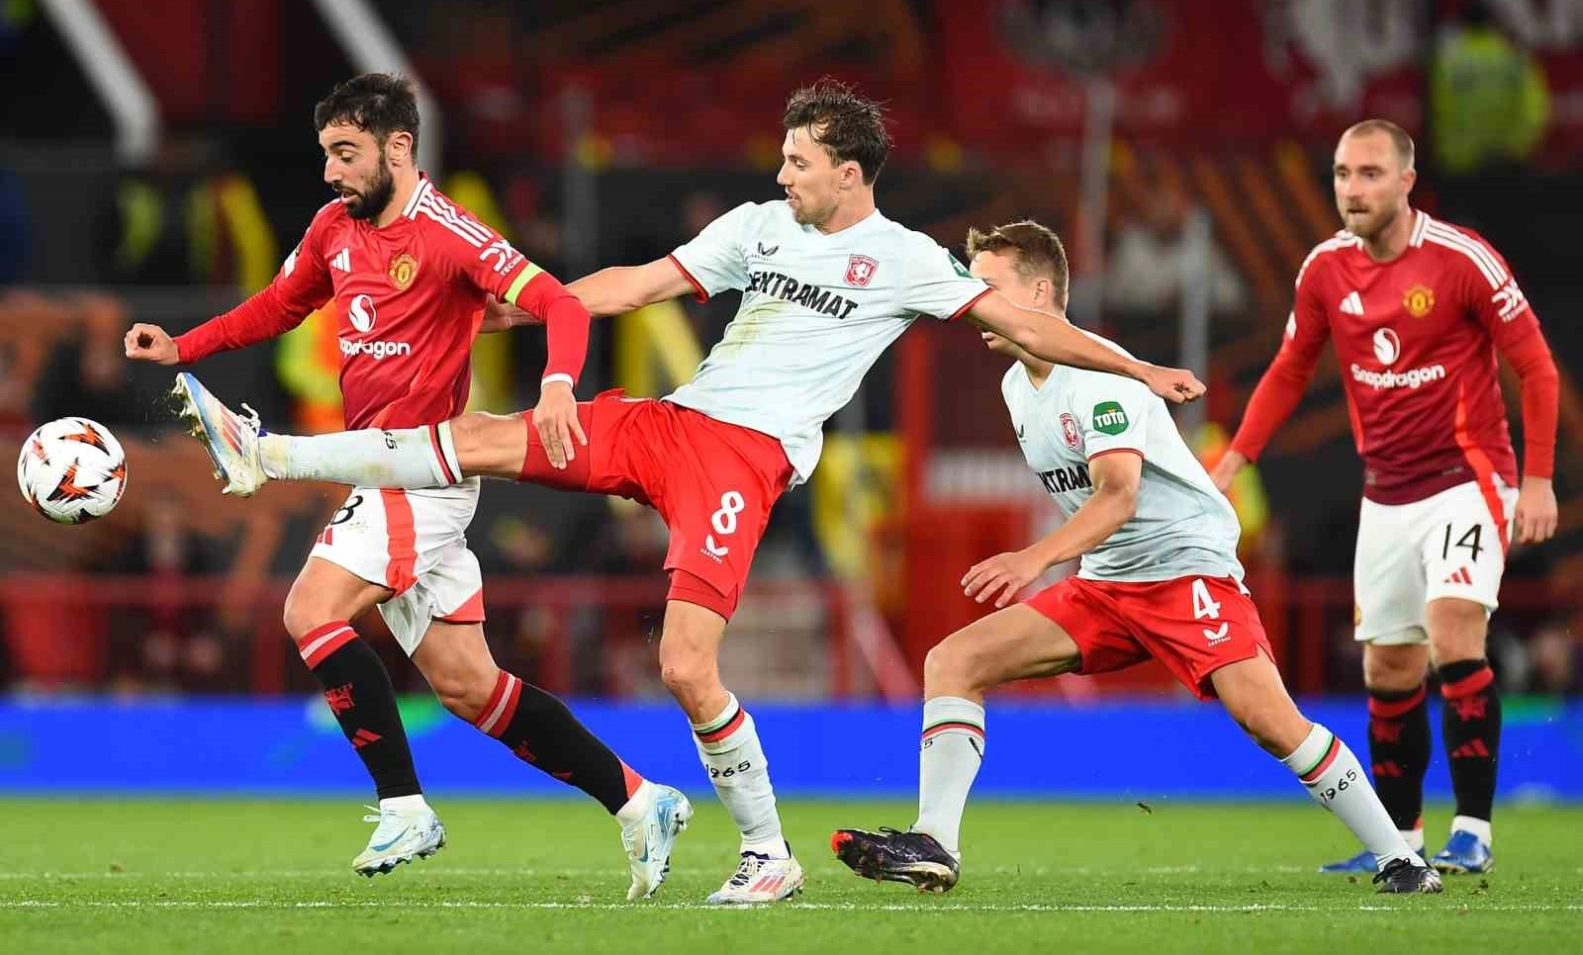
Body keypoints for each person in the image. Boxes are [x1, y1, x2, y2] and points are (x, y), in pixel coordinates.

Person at [166, 77, 1207, 904]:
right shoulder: (759, 225)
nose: (781, 174)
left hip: (741, 461)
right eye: (783, 158)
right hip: (670, 425)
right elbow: (638, 285)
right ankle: (272, 455)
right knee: (480, 437)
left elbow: (1025, 323)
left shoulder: (904, 260)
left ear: (848, 173)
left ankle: (766, 853)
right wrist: (520, 310)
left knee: (682, 664)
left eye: (798, 162)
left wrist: (1139, 369)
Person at [123, 73, 688, 900]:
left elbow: (561, 305)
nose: (330, 172)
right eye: (325, 154)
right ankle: (640, 800)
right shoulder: (333, 227)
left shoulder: (451, 233)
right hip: (382, 467)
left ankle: (402, 805)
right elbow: (279, 305)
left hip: (423, 474)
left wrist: (558, 385)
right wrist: (185, 347)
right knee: (470, 688)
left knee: (309, 611)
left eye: (345, 153)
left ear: (398, 148)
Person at [830, 220, 1443, 896]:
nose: (974, 306)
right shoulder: (1015, 387)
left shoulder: (1099, 376)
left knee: (1270, 722)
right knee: (953, 662)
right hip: (1106, 586)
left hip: (1185, 571)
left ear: (1039, 293)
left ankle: (1401, 858)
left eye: (989, 289)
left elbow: (1117, 497)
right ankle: (935, 843)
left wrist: (1034, 559)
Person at [1209, 120, 1559, 875]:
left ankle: (1473, 832)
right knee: (1390, 670)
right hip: (1386, 495)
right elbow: (1289, 368)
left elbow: (1536, 367)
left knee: (1453, 631)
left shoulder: (1461, 259)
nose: (1352, 189)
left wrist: (1537, 479)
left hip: (1468, 480)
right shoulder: (1324, 269)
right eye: (1342, 174)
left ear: (1406, 181)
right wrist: (1235, 459)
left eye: (1369, 174)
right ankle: (1399, 842)